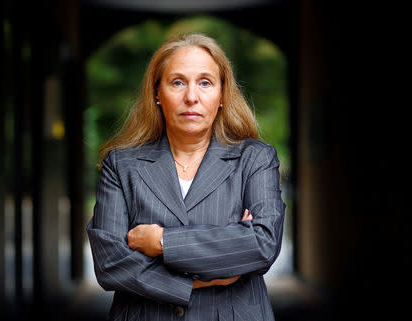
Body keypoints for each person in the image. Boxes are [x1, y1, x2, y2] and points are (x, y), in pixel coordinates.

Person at [86, 33, 286, 321]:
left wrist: (163, 242)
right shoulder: (121, 165)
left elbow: (262, 244)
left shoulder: (255, 159)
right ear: (157, 93)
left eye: (205, 83)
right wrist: (196, 281)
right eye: (177, 82)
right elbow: (110, 264)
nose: (191, 97)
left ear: (221, 94)